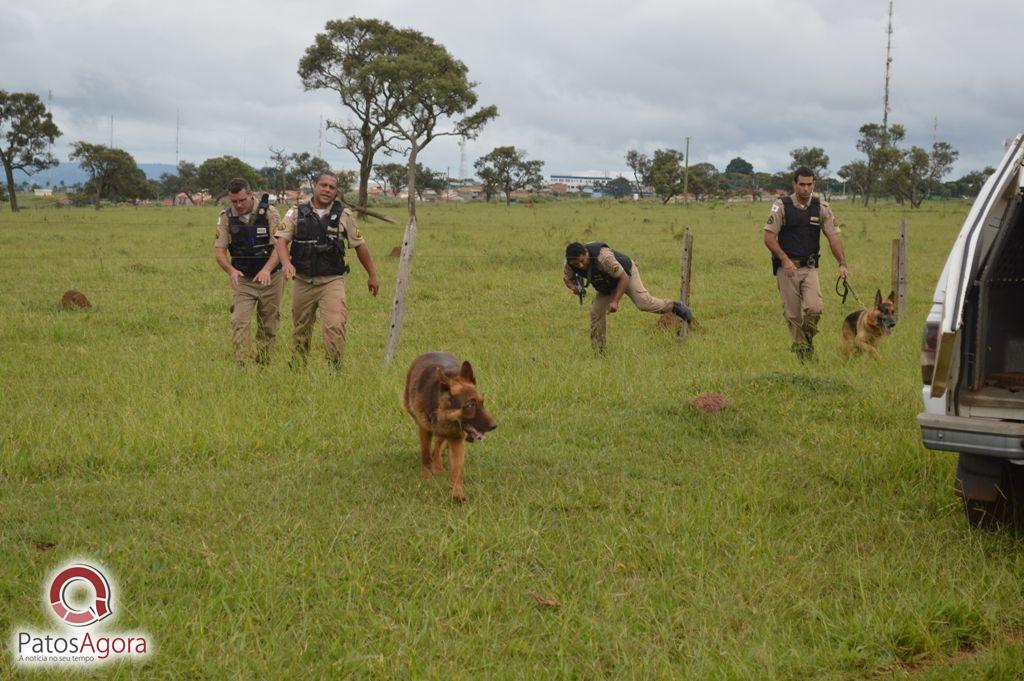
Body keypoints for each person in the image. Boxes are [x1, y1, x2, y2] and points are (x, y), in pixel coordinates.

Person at [273, 170, 380, 368]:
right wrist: (287, 264)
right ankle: (298, 367)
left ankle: (335, 368)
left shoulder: (344, 215)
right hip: (303, 281)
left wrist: (372, 275)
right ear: (315, 186)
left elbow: (360, 246)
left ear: (336, 192)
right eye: (323, 185)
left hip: (331, 281)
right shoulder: (296, 212)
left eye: (332, 187)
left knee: (335, 325)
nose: (327, 190)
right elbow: (281, 241)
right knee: (301, 329)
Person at [762, 166, 848, 360]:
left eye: (810, 185)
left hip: (809, 267)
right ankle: (804, 355)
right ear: (795, 184)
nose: (806, 189)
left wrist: (842, 263)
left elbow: (833, 237)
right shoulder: (781, 206)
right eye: (802, 184)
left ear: (814, 185)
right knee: (793, 316)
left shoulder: (821, 207)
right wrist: (784, 260)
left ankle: (806, 341)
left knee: (815, 308)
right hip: (787, 269)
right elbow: (768, 238)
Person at [564, 241, 694, 352]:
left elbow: (623, 277)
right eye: (576, 264)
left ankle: (676, 307)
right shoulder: (570, 263)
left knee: (644, 303)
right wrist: (574, 288)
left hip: (626, 274)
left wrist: (615, 301)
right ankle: (599, 350)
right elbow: (567, 279)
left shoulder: (603, 257)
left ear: (586, 252)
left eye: (582, 261)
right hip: (605, 283)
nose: (580, 265)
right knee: (596, 312)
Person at [214, 178, 284, 365]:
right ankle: (242, 366)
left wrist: (267, 269)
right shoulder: (226, 217)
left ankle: (264, 365)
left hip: (271, 278)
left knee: (268, 324)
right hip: (243, 279)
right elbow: (219, 251)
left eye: (242, 200)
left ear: (251, 195)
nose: (238, 205)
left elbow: (280, 246)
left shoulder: (269, 212)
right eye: (234, 201)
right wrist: (231, 270)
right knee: (239, 321)